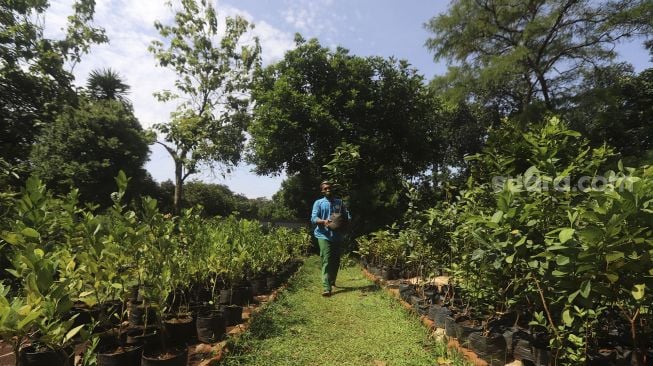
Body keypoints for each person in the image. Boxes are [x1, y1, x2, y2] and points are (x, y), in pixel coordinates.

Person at [311, 180, 351, 297]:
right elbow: (313, 218)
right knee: (327, 259)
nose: (328, 190)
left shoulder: (339, 202)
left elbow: (346, 214)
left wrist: (347, 220)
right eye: (326, 188)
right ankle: (326, 288)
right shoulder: (318, 203)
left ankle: (332, 280)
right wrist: (323, 221)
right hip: (323, 235)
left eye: (330, 188)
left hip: (337, 235)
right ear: (322, 190)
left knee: (336, 260)